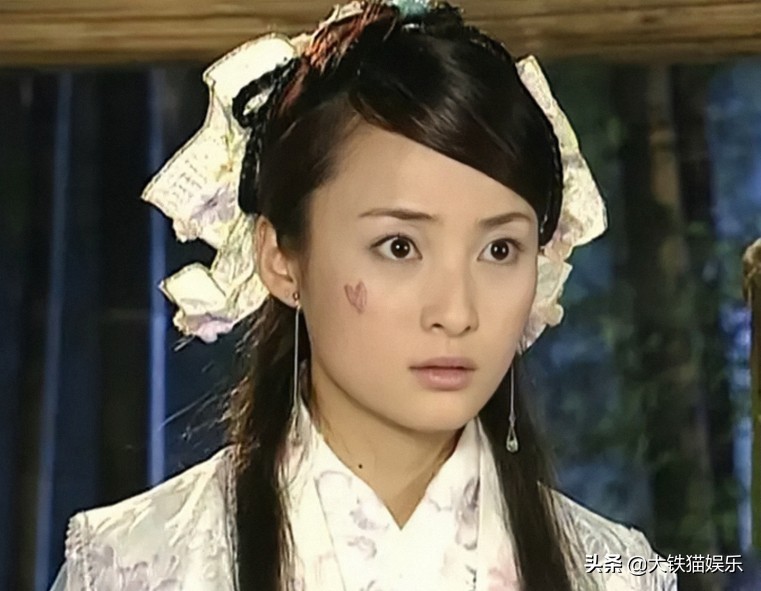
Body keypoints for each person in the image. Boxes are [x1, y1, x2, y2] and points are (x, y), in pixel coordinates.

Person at [50, 1, 678, 589]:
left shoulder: (619, 573)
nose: (457, 313)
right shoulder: (132, 565)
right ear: (281, 258)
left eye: (499, 250)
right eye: (399, 246)